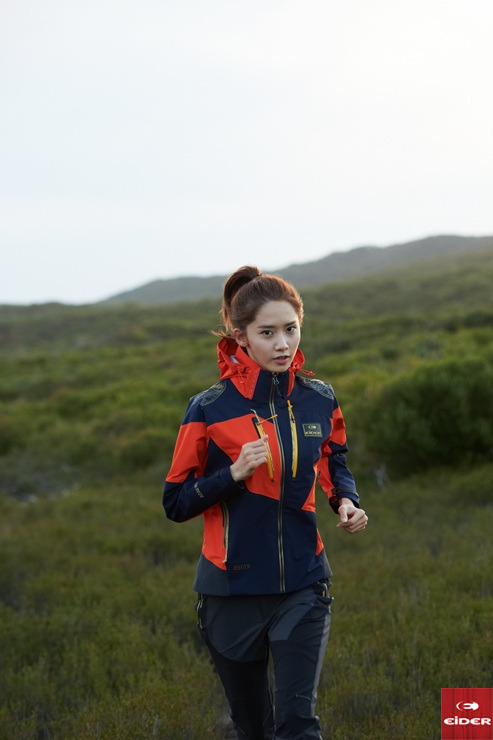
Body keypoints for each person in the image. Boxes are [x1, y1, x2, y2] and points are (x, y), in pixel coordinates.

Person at [163, 265, 368, 739]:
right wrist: (232, 475)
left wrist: (346, 501)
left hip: (303, 580)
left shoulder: (319, 398)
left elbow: (333, 459)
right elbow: (175, 502)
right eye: (268, 332)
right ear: (241, 337)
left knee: (297, 724)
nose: (283, 344)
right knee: (253, 727)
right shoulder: (208, 408)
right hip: (229, 592)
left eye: (291, 329)